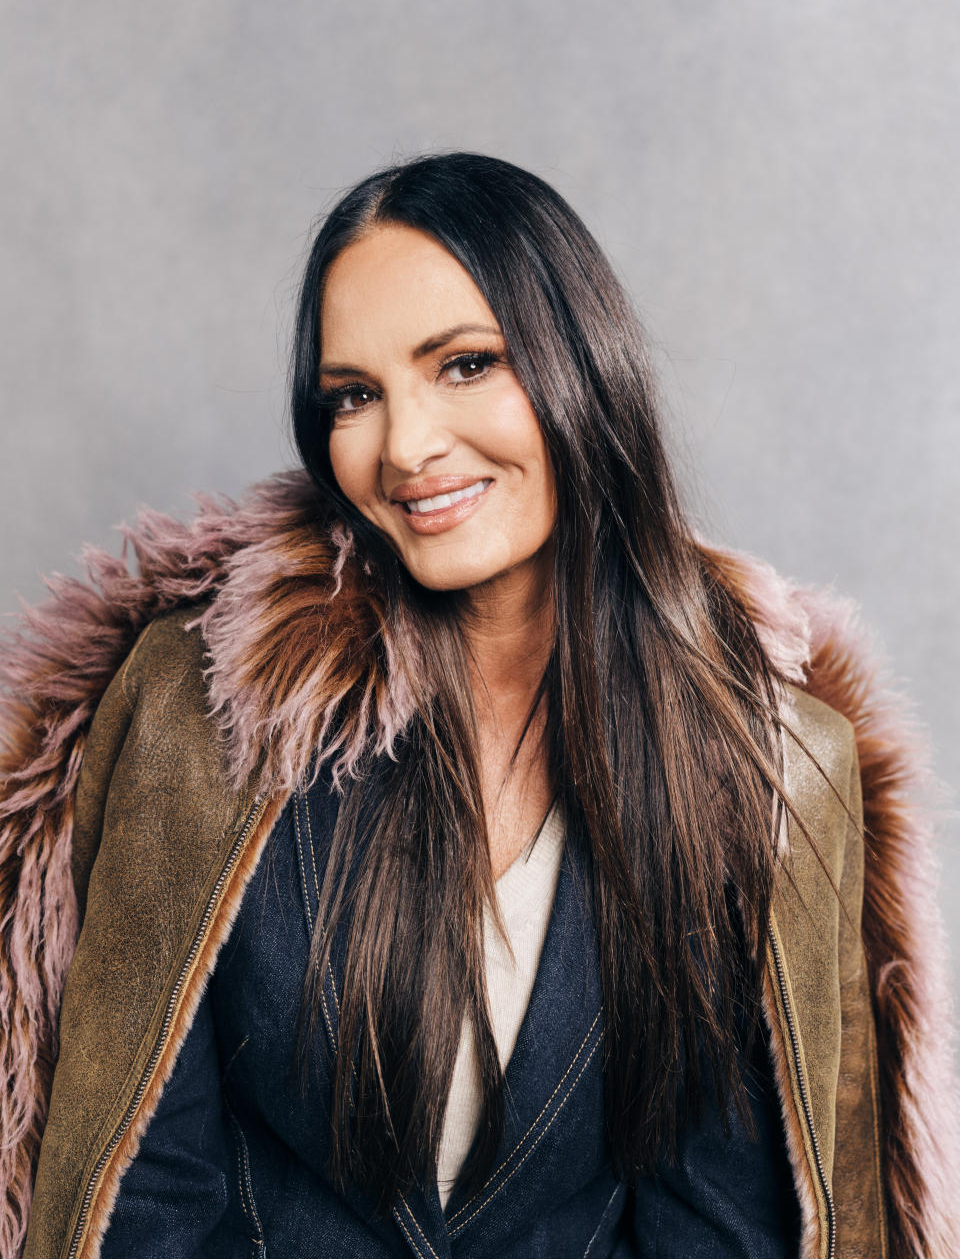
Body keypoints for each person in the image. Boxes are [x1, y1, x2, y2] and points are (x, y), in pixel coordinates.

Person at [1, 151, 957, 1259]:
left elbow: (737, 1226)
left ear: (580, 364)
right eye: (353, 395)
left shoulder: (761, 770)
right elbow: (138, 1195)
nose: (404, 446)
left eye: (463, 364)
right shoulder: (208, 709)